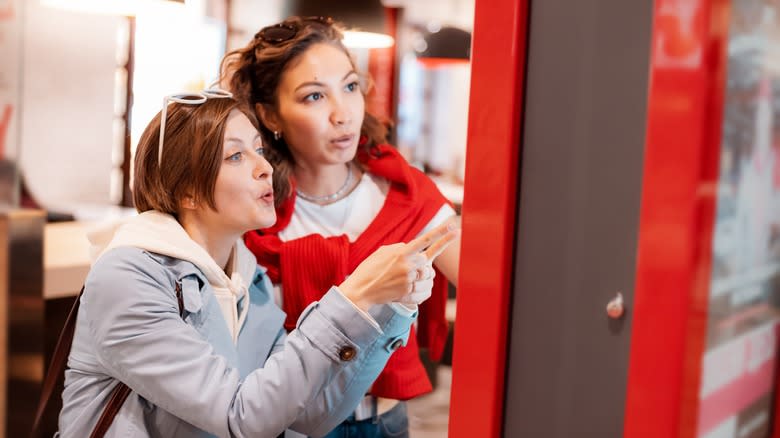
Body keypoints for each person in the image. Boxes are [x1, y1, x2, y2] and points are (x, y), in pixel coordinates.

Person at [57, 91, 458, 438]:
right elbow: (239, 418)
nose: (264, 167)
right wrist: (354, 295)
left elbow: (312, 416)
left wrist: (392, 306)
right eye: (235, 155)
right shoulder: (129, 277)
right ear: (187, 192)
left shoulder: (250, 279)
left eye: (259, 150)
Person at [221, 16, 462, 437]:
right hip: (284, 426)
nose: (342, 113)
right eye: (314, 96)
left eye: (350, 87)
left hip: (384, 424)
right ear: (269, 114)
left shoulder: (404, 195)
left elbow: (493, 287)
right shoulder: (253, 210)